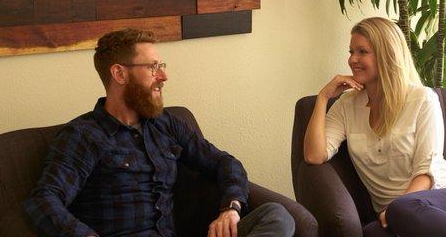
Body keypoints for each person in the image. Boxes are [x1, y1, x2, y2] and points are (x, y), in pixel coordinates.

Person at [24, 28, 295, 237]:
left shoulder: (165, 124)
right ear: (119, 73)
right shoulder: (84, 136)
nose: (163, 76)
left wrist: (231, 209)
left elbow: (224, 163)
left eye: (161, 66)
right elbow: (44, 200)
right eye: (153, 67)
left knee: (276, 216)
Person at [303, 17, 446, 237]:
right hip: (393, 217)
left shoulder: (422, 99)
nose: (352, 59)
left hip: (445, 200)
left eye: (362, 51)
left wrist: (396, 208)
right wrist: (324, 97)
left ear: (387, 54)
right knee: (372, 233)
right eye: (351, 51)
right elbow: (314, 155)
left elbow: (426, 172)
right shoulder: (347, 104)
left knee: (404, 208)